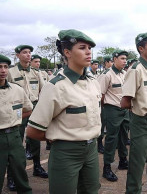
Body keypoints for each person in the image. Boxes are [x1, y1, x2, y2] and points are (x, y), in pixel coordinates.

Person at [26, 29, 102, 194]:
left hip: (91, 150)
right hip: (66, 153)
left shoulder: (93, 82)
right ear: (67, 52)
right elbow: (33, 131)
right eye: (82, 48)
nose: (88, 52)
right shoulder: (55, 86)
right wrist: (60, 138)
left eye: (89, 48)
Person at [121, 33, 147, 194]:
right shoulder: (135, 70)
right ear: (141, 48)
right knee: (137, 165)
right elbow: (125, 101)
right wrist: (139, 110)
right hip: (141, 122)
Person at [7, 45, 47, 190]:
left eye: (30, 52)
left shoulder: (36, 73)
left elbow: (43, 90)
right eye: (24, 53)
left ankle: (37, 167)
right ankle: (11, 177)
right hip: (18, 110)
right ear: (18, 55)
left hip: (35, 108)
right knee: (15, 144)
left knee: (35, 140)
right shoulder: (10, 72)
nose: (28, 55)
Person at [0, 54, 33, 194]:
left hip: (14, 137)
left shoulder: (17, 90)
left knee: (20, 173)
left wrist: (16, 120)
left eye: (5, 67)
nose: (3, 70)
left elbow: (28, 109)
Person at [100, 49, 129, 182]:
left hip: (124, 110)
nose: (125, 61)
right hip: (112, 109)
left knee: (124, 136)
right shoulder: (107, 75)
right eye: (122, 58)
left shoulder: (124, 73)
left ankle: (123, 160)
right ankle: (107, 167)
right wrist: (106, 110)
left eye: (126, 59)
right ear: (115, 59)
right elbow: (101, 95)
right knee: (111, 138)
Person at [30, 54, 52, 150]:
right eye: (35, 62)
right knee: (32, 127)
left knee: (46, 124)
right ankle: (29, 149)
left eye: (39, 62)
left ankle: (48, 143)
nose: (38, 64)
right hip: (31, 102)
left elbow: (47, 86)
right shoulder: (29, 73)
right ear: (31, 62)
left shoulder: (43, 73)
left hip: (41, 101)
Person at [96, 55, 114, 154]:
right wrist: (102, 106)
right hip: (103, 104)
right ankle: (99, 144)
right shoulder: (104, 75)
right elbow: (100, 92)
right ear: (106, 63)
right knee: (101, 125)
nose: (112, 63)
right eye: (110, 61)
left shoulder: (113, 73)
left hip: (108, 105)